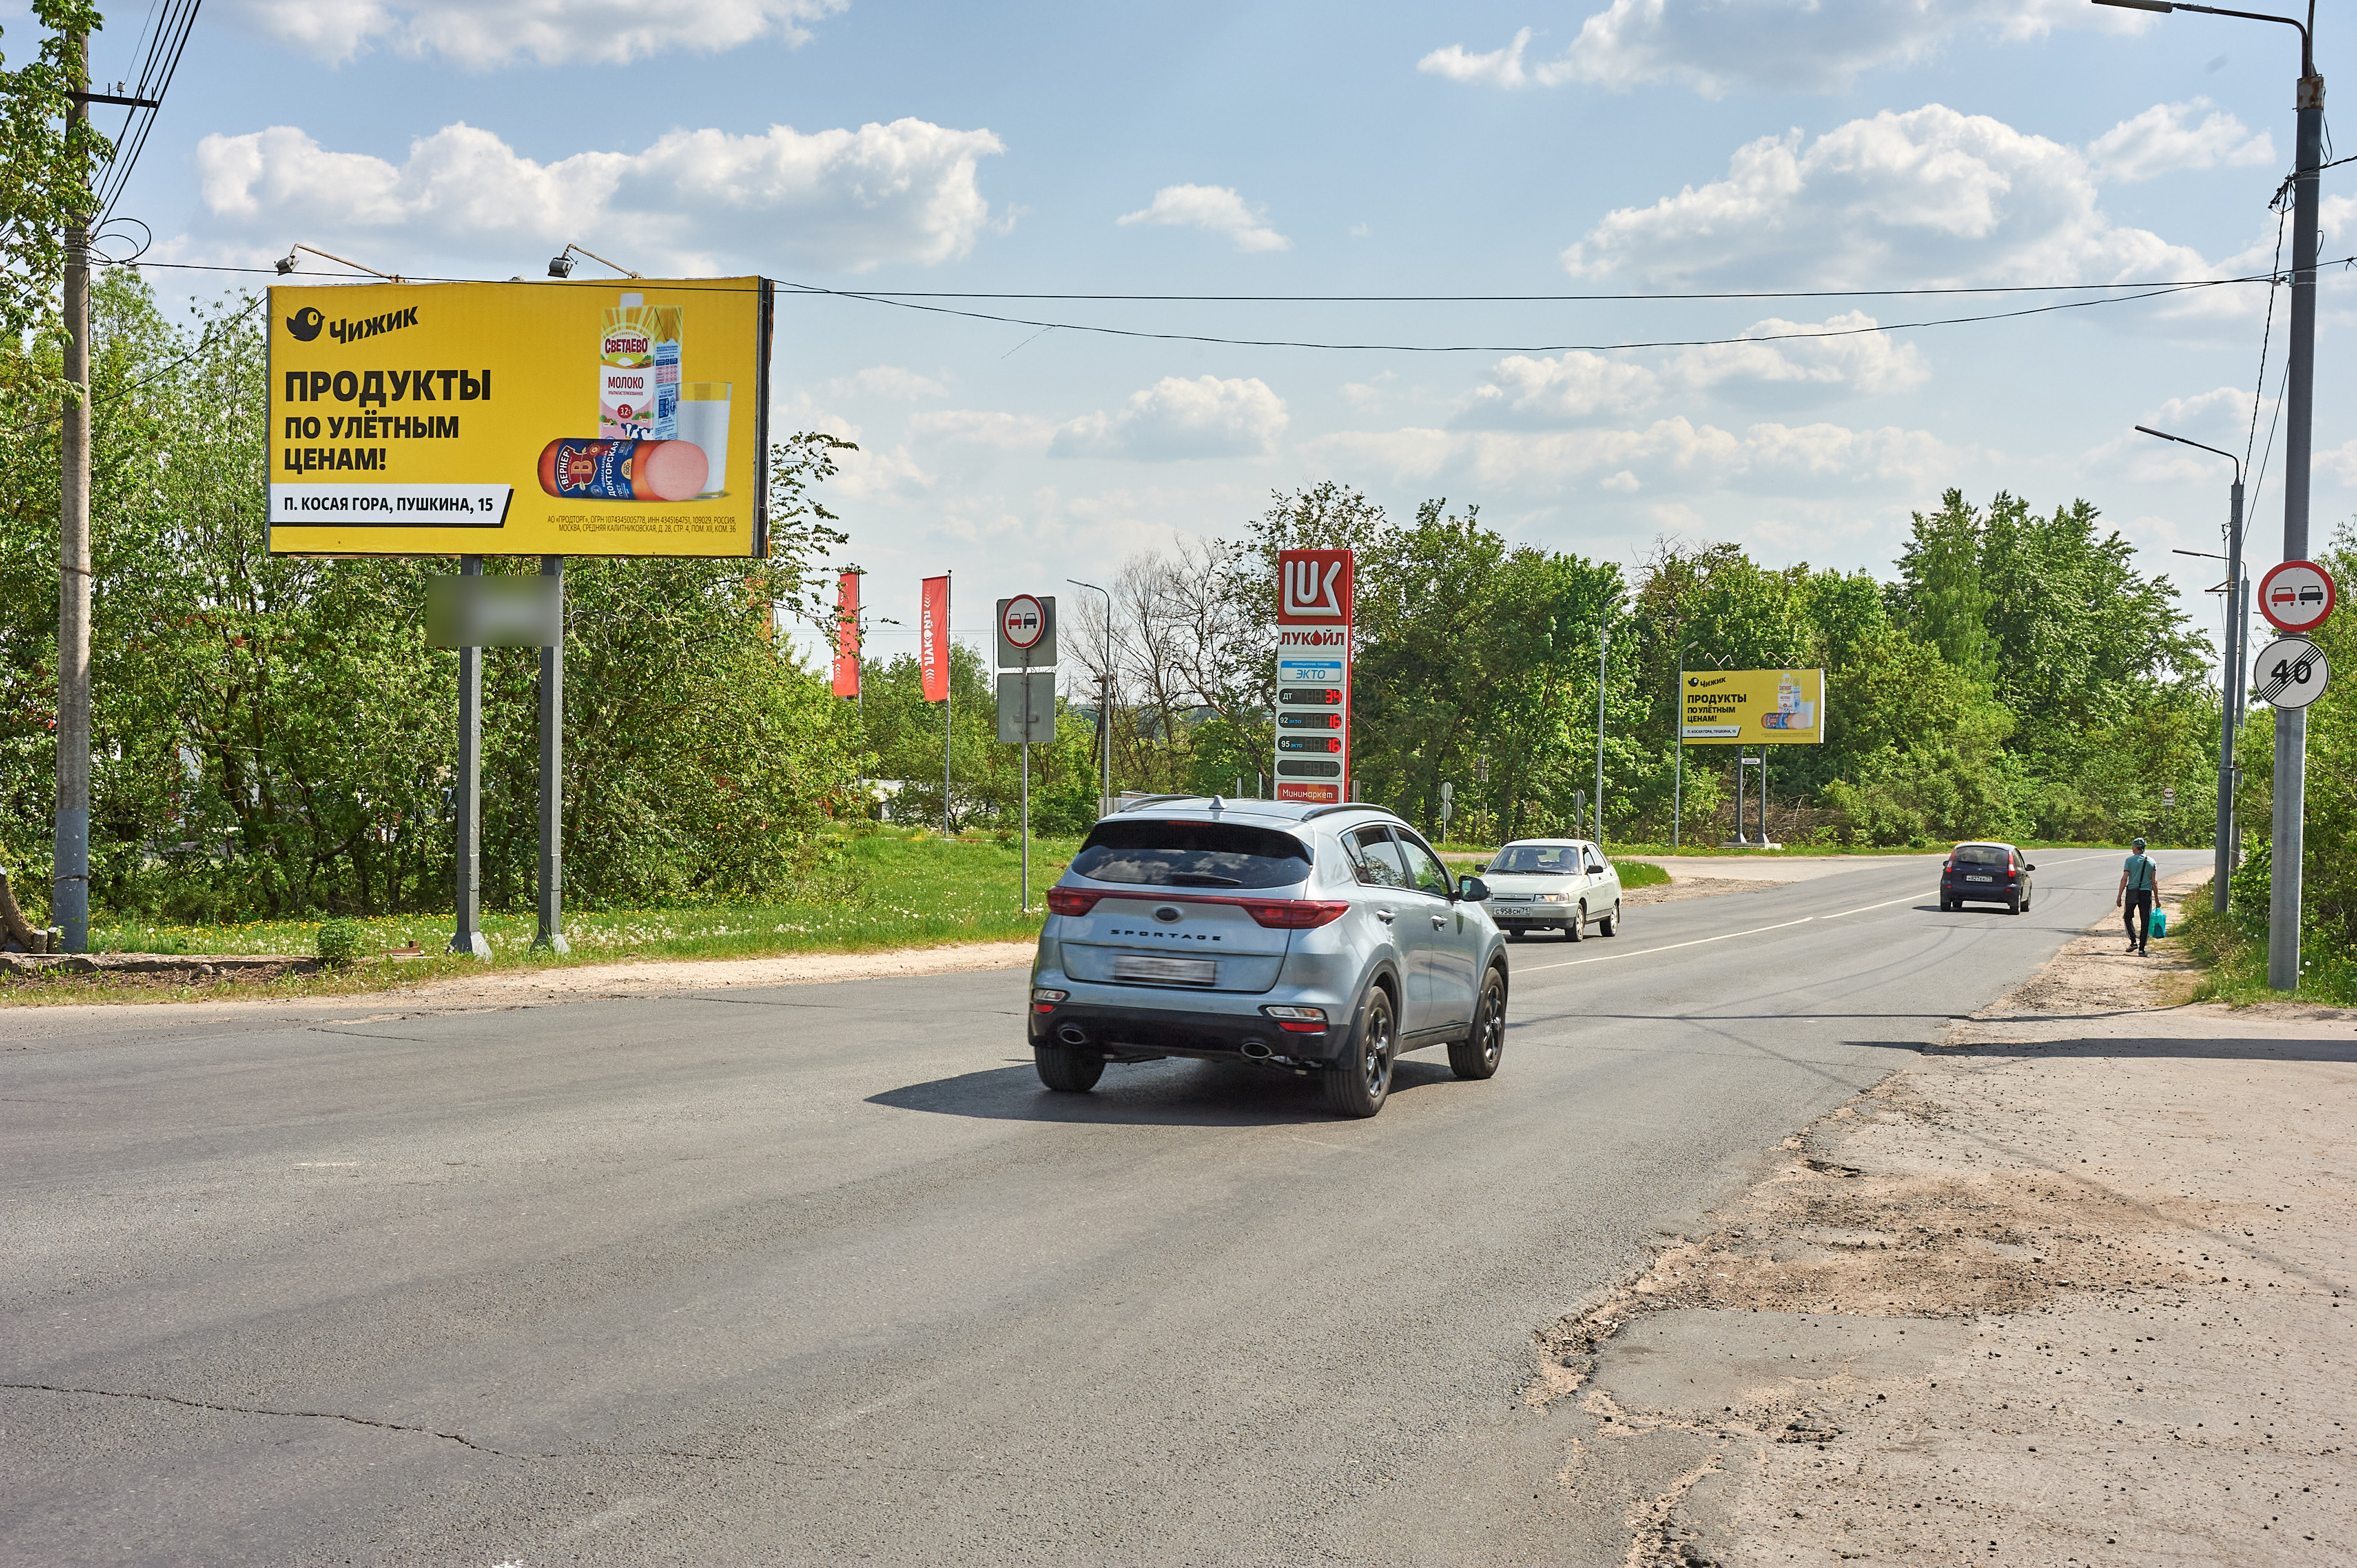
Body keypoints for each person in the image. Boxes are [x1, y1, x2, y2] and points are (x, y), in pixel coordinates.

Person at [2117, 837, 2157, 955]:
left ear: (2135, 848)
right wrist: (2157, 899)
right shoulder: (2152, 862)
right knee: (2145, 920)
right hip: (2146, 893)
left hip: (2132, 892)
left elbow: (2124, 879)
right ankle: (2142, 949)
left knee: (2128, 916)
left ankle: (2133, 941)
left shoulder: (2129, 861)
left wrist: (2119, 896)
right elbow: (2154, 882)